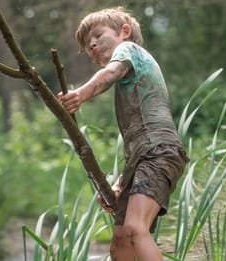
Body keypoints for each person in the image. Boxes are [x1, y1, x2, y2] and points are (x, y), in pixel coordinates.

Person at [57, 7, 189, 261]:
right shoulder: (130, 70)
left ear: (124, 32)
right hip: (144, 156)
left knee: (135, 228)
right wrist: (120, 183)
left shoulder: (128, 51)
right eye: (86, 45)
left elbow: (110, 73)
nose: (92, 44)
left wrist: (80, 95)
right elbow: (138, 145)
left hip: (160, 151)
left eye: (97, 35)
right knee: (120, 243)